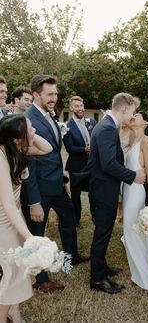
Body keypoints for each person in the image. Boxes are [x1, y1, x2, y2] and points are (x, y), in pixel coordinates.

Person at [25, 74, 89, 294]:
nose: (54, 98)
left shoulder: (50, 116)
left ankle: (70, 255)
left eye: (55, 93)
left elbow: (53, 154)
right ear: (36, 94)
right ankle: (41, 279)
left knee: (69, 217)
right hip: (39, 190)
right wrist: (33, 200)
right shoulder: (29, 119)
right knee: (38, 234)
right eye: (49, 94)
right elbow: (29, 163)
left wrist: (62, 180)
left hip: (56, 185)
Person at [88, 93, 146, 294]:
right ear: (124, 109)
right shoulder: (106, 129)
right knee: (102, 233)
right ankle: (97, 279)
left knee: (104, 231)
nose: (132, 116)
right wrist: (133, 176)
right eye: (132, 112)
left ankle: (102, 267)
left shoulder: (106, 126)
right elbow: (108, 163)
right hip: (103, 190)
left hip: (105, 188)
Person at [0, 114, 52, 323]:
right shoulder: (0, 159)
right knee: (10, 276)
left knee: (19, 274)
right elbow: (8, 204)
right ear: (16, 139)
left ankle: (14, 312)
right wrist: (30, 237)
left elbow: (47, 148)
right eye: (30, 129)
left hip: (15, 220)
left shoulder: (15, 148)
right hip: (3, 225)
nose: (35, 132)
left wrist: (28, 132)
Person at [122, 112, 148, 289]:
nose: (133, 116)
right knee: (131, 230)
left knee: (132, 229)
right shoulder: (130, 139)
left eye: (137, 115)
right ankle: (138, 269)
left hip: (137, 191)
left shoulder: (145, 141)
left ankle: (144, 275)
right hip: (127, 189)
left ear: (145, 123)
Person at [63, 96, 96, 226]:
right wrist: (85, 149)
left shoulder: (91, 121)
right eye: (76, 106)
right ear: (71, 108)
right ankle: (76, 220)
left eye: (81, 105)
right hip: (76, 166)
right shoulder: (66, 126)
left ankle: (95, 217)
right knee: (76, 196)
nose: (80, 108)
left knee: (93, 192)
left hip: (92, 165)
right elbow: (70, 148)